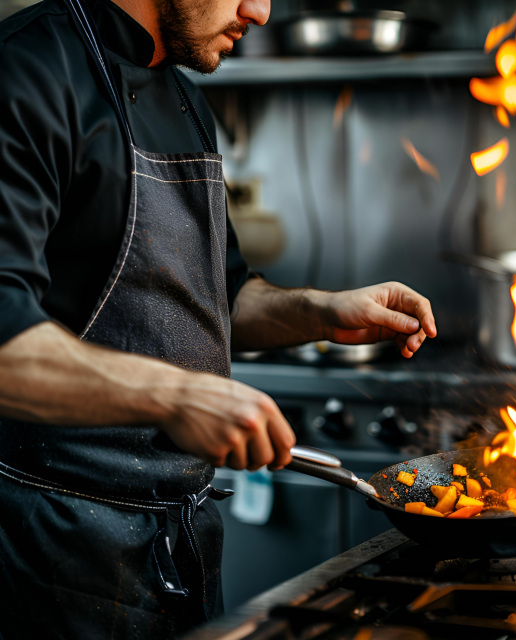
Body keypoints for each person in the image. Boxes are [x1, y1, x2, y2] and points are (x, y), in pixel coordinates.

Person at [0, 0, 437, 637]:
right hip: (48, 547)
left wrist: (320, 312)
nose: (259, 11)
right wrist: (175, 395)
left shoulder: (185, 98)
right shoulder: (25, 71)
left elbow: (219, 297)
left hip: (176, 543)